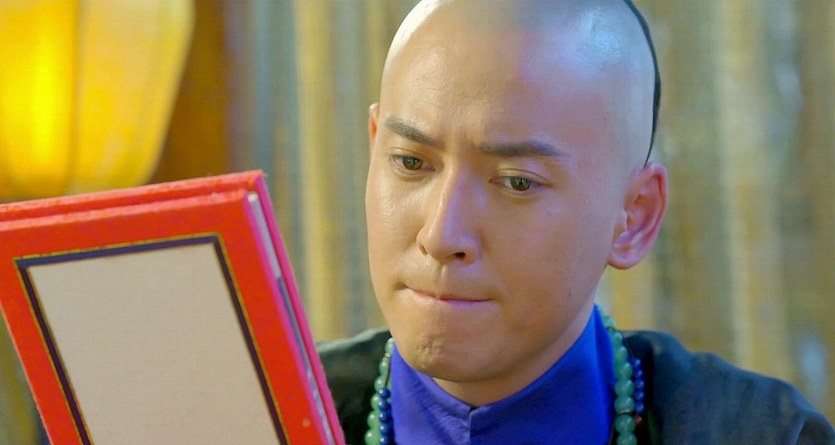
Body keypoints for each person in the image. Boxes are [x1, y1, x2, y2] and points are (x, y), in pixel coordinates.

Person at [318, 1, 835, 444]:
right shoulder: (281, 408)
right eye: (410, 162)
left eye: (517, 182)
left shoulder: (763, 433)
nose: (440, 235)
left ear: (634, 217)